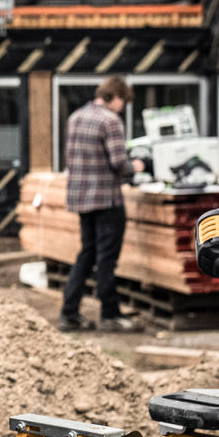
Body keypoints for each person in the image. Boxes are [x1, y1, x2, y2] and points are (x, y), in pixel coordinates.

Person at [59, 76, 145, 333]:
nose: (122, 107)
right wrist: (137, 167)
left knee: (86, 254)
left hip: (82, 199)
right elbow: (119, 162)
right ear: (115, 96)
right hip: (107, 199)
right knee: (107, 259)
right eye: (123, 102)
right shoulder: (110, 121)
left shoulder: (75, 117)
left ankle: (69, 313)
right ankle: (111, 314)